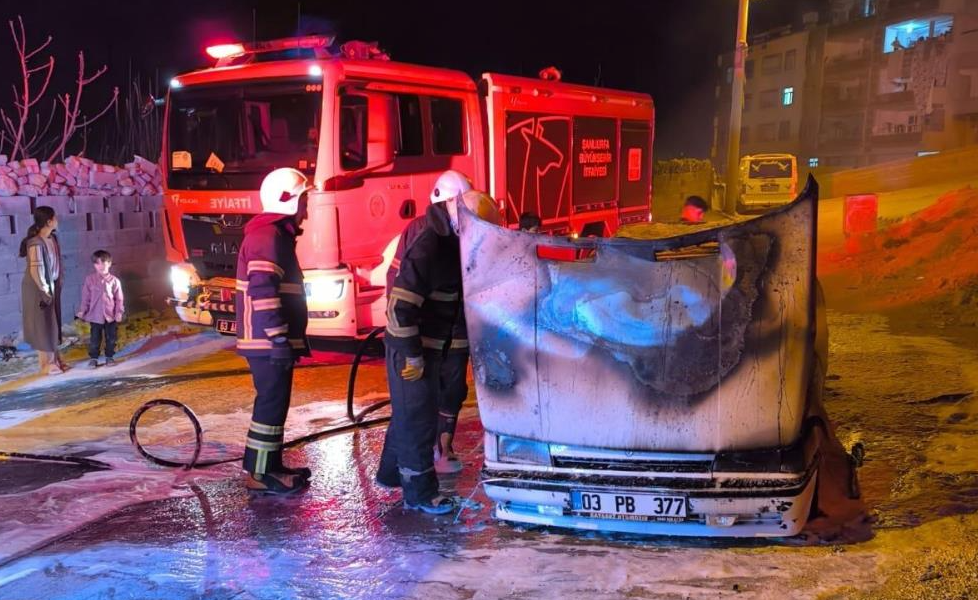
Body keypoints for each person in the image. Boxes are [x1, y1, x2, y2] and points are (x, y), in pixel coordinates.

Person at [378, 189, 500, 514]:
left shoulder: (446, 242)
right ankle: (420, 493)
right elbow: (400, 307)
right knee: (418, 420)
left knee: (408, 415)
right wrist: (413, 354)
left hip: (426, 348)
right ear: (464, 225)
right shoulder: (431, 246)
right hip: (412, 351)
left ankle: (392, 474)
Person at [385, 170, 473, 475]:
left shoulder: (460, 232)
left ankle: (417, 462)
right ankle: (420, 475)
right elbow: (399, 287)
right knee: (418, 407)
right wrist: (406, 336)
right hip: (433, 336)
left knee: (445, 395)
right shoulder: (427, 236)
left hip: (453, 333)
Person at [235, 167, 313, 495]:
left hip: (268, 341)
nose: (307, 209)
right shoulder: (267, 237)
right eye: (304, 201)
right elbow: (264, 292)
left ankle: (270, 466)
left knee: (274, 404)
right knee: (269, 405)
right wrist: (279, 337)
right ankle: (260, 474)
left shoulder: (273, 235)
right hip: (267, 342)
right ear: (290, 202)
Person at [19, 206, 68, 375]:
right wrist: (45, 290)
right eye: (55, 218)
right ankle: (47, 364)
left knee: (52, 323)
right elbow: (36, 270)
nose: (57, 220)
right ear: (49, 221)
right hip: (38, 289)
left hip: (51, 285)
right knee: (43, 325)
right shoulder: (35, 243)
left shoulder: (52, 239)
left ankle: (56, 360)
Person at [76, 250, 125, 367]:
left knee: (111, 338)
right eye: (97, 263)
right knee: (94, 339)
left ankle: (109, 356)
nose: (101, 266)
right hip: (95, 316)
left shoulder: (114, 281)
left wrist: (119, 312)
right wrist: (82, 310)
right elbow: (85, 297)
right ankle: (94, 358)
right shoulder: (90, 280)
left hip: (110, 316)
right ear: (94, 265)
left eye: (104, 263)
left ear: (110, 263)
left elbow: (119, 299)